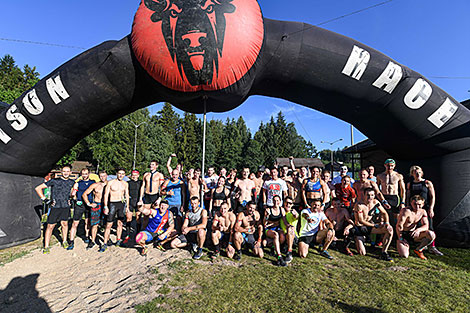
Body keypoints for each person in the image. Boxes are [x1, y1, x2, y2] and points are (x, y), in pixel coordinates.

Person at [35, 165, 75, 253]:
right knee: (50, 226)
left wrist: (71, 199)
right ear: (61, 172)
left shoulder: (72, 182)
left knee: (65, 224)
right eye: (64, 171)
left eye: (67, 171)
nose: (66, 173)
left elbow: (73, 193)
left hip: (65, 207)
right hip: (55, 207)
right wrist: (45, 200)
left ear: (70, 173)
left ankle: (64, 241)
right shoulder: (54, 181)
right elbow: (38, 188)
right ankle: (46, 246)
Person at [406, 165, 443, 256]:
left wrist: (431, 208)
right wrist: (407, 206)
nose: (417, 174)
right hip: (414, 209)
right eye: (415, 172)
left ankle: (432, 247)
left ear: (421, 173)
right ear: (412, 174)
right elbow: (407, 196)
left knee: (429, 227)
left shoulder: (427, 183)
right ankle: (419, 245)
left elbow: (432, 196)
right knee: (413, 226)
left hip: (425, 208)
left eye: (419, 172)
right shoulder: (410, 184)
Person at [352, 188, 394, 261]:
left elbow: (384, 213)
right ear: (364, 195)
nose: (370, 197)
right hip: (360, 228)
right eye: (368, 195)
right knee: (362, 253)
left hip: (370, 226)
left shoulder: (375, 202)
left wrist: (387, 223)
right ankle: (356, 238)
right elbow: (361, 220)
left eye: (372, 195)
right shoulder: (359, 205)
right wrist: (375, 225)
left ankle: (384, 252)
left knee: (389, 230)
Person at [396, 195, 436, 260]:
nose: (417, 207)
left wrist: (418, 230)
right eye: (415, 204)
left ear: (423, 204)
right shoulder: (406, 211)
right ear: (411, 203)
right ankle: (403, 245)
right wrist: (400, 238)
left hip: (413, 234)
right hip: (403, 234)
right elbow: (399, 225)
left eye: (419, 205)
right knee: (404, 255)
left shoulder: (423, 212)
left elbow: (426, 226)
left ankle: (419, 249)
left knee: (431, 234)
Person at [102, 168, 130, 252]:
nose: (121, 175)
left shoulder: (125, 183)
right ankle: (105, 243)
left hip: (121, 204)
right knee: (109, 225)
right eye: (119, 173)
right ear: (116, 174)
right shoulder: (111, 183)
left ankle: (118, 240)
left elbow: (127, 195)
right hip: (112, 204)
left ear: (124, 175)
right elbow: (106, 195)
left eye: (123, 174)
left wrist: (127, 207)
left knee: (120, 223)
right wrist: (105, 206)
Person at [67, 168, 95, 250]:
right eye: (83, 174)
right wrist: (74, 197)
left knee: (88, 222)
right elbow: (73, 194)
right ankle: (71, 241)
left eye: (86, 174)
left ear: (89, 174)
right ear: (81, 174)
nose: (84, 175)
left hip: (89, 204)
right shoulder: (78, 183)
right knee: (75, 223)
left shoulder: (92, 182)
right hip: (79, 205)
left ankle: (87, 237)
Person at [82, 171, 108, 250]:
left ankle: (106, 240)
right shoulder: (95, 185)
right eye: (101, 176)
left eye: (104, 176)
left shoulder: (110, 184)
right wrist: (88, 203)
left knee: (107, 224)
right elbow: (84, 194)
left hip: (106, 205)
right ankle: (93, 240)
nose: (102, 178)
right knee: (94, 224)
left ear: (107, 176)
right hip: (96, 204)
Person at [377, 159, 406, 224]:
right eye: (388, 165)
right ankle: (382, 232)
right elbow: (377, 189)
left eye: (391, 166)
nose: (390, 167)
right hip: (384, 196)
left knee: (396, 217)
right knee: (382, 216)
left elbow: (403, 190)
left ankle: (396, 233)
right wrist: (381, 199)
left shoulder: (398, 176)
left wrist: (403, 202)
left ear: (394, 166)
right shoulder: (380, 176)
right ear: (385, 165)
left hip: (394, 197)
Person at [263, 195, 289, 266]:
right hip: (269, 229)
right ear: (272, 201)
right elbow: (264, 223)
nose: (276, 202)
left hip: (277, 228)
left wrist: (289, 226)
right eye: (274, 200)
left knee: (282, 236)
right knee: (275, 235)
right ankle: (279, 256)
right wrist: (266, 217)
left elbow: (284, 220)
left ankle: (273, 247)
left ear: (280, 201)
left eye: (277, 200)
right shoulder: (268, 210)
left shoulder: (281, 209)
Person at [280, 196, 299, 264]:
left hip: (292, 236)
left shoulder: (293, 212)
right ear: (283, 203)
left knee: (290, 229)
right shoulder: (281, 211)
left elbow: (296, 216)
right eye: (286, 202)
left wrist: (295, 215)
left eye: (290, 203)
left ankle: (289, 251)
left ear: (292, 205)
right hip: (283, 236)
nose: (288, 205)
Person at [127, 170, 143, 238]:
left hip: (138, 201)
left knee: (138, 218)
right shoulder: (128, 183)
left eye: (135, 175)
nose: (134, 176)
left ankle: (138, 233)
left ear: (138, 175)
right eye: (133, 175)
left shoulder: (141, 182)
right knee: (128, 218)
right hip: (130, 201)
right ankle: (127, 234)